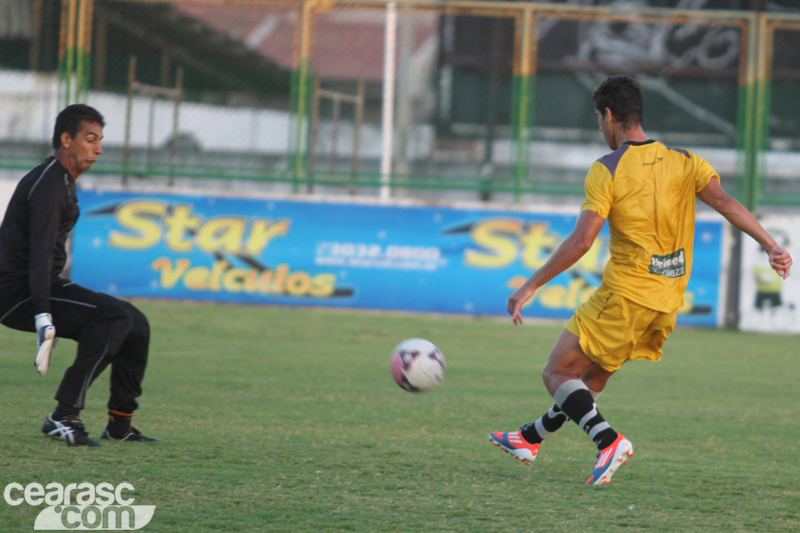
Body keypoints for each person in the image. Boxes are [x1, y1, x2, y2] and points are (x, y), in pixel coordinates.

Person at [489, 76, 792, 484]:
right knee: (589, 380)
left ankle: (608, 442)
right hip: (666, 302)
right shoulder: (684, 160)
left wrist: (530, 285)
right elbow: (726, 202)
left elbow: (581, 242)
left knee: (557, 373)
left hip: (626, 295)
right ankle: (529, 439)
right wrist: (771, 244)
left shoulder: (607, 169)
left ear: (610, 116)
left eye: (599, 118)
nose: (601, 127)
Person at [0, 104, 158, 446]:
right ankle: (63, 416)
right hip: (19, 292)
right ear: (66, 139)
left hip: (36, 286)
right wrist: (43, 315)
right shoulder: (50, 186)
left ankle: (120, 424)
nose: (98, 148)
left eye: (100, 140)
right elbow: (40, 255)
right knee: (115, 317)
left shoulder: (62, 181)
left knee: (137, 324)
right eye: (90, 139)